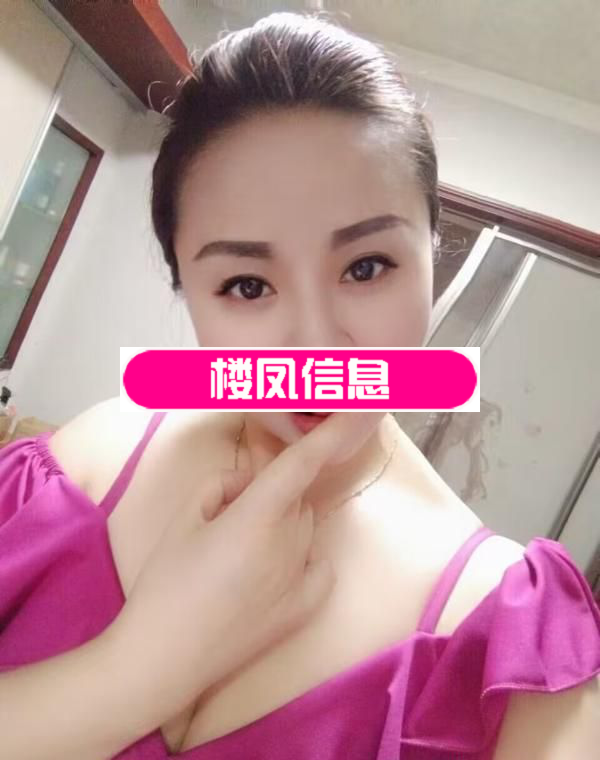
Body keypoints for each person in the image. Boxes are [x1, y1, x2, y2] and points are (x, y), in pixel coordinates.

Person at [1, 11, 599, 760]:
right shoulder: (88, 460)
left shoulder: (509, 640)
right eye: (248, 285)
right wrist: (139, 667)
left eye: (366, 268)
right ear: (187, 289)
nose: (316, 345)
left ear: (432, 255)